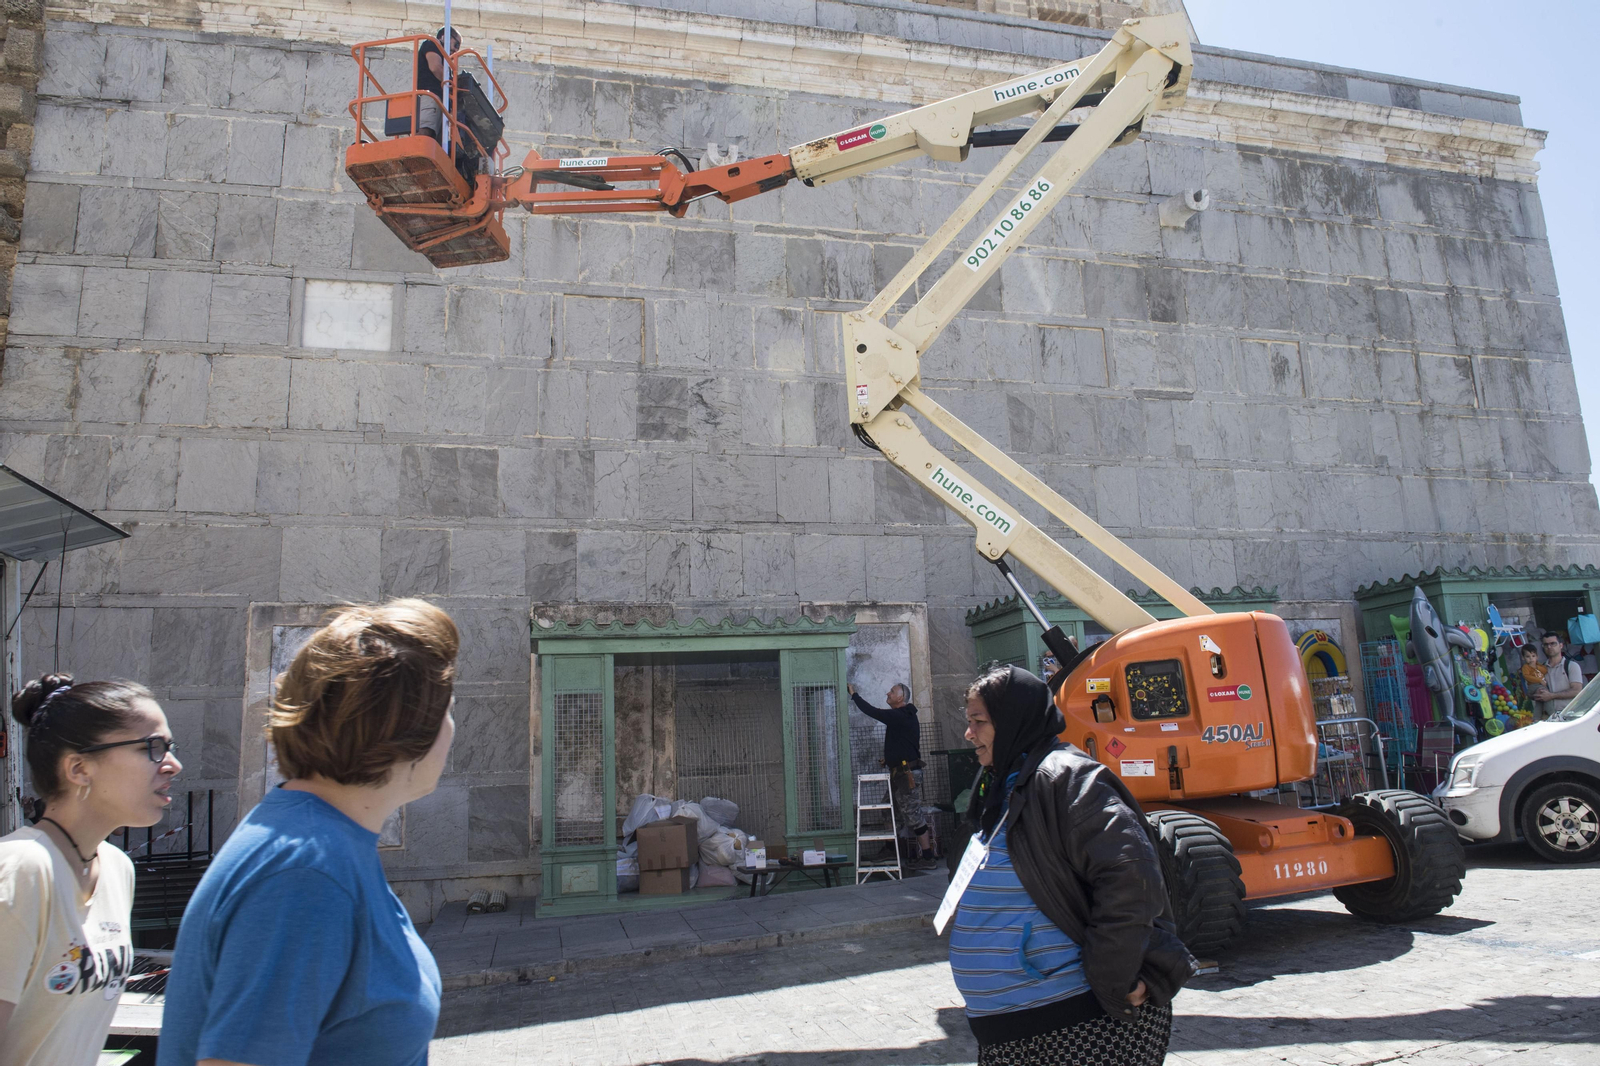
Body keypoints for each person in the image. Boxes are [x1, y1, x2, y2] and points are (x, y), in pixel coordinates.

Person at [158, 599, 458, 1066]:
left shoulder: (321, 840)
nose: (453, 729)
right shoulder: (305, 871)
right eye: (448, 711)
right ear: (407, 732)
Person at [948, 664, 1193, 1064]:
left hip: (1078, 1029)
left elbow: (1131, 877)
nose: (968, 734)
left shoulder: (1068, 778)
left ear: (1013, 721)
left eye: (979, 722)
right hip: (1018, 1032)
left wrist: (1114, 978)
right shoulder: (1005, 784)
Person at [0, 674, 182, 1066]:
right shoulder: (20, 871)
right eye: (152, 747)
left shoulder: (117, 869)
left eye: (170, 747)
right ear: (79, 768)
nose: (173, 764)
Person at [848, 681, 934, 867]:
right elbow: (903, 744)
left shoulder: (901, 715)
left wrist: (854, 695)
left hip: (907, 775)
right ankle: (889, 851)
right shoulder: (903, 717)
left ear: (900, 697)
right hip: (899, 773)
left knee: (913, 814)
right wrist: (889, 759)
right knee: (888, 811)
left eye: (892, 691)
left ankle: (928, 858)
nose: (888, 693)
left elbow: (874, 712)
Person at [414, 26, 462, 143]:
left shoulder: (446, 59)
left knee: (436, 139)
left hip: (440, 101)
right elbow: (435, 67)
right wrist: (452, 85)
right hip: (431, 95)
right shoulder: (433, 44)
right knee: (426, 129)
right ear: (444, 36)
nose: (456, 50)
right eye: (456, 45)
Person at [1531, 631, 1586, 719]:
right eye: (1546, 645)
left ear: (1561, 645)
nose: (1549, 647)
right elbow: (1533, 692)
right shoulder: (1540, 669)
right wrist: (1537, 694)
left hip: (1568, 714)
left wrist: (1551, 695)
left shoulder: (1571, 666)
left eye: (1553, 644)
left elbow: (1576, 691)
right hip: (1547, 716)